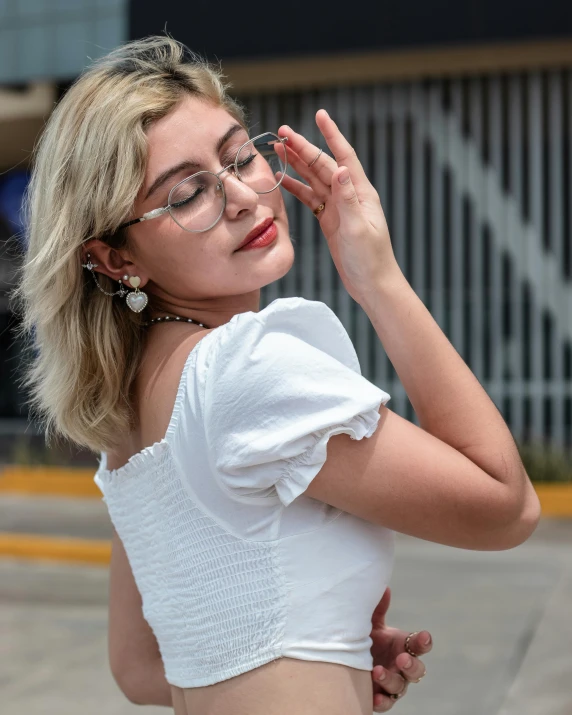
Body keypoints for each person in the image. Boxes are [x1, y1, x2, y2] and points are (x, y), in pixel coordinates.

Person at [11, 35, 540, 715]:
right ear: (114, 259)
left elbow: (141, 667)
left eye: (239, 156)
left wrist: (326, 650)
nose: (240, 195)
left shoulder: (131, 410)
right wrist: (378, 279)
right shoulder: (246, 367)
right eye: (186, 194)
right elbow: (506, 506)